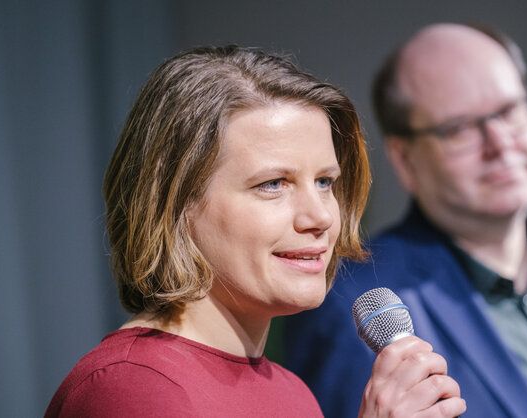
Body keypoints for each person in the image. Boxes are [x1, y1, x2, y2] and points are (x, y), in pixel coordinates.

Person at [45, 45, 466, 417]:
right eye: (273, 184)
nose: (319, 216)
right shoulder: (131, 388)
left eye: (325, 182)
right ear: (175, 204)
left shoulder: (293, 393)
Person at [284, 23, 527, 418]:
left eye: (509, 110)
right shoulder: (354, 302)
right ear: (405, 159)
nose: (500, 143)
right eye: (460, 128)